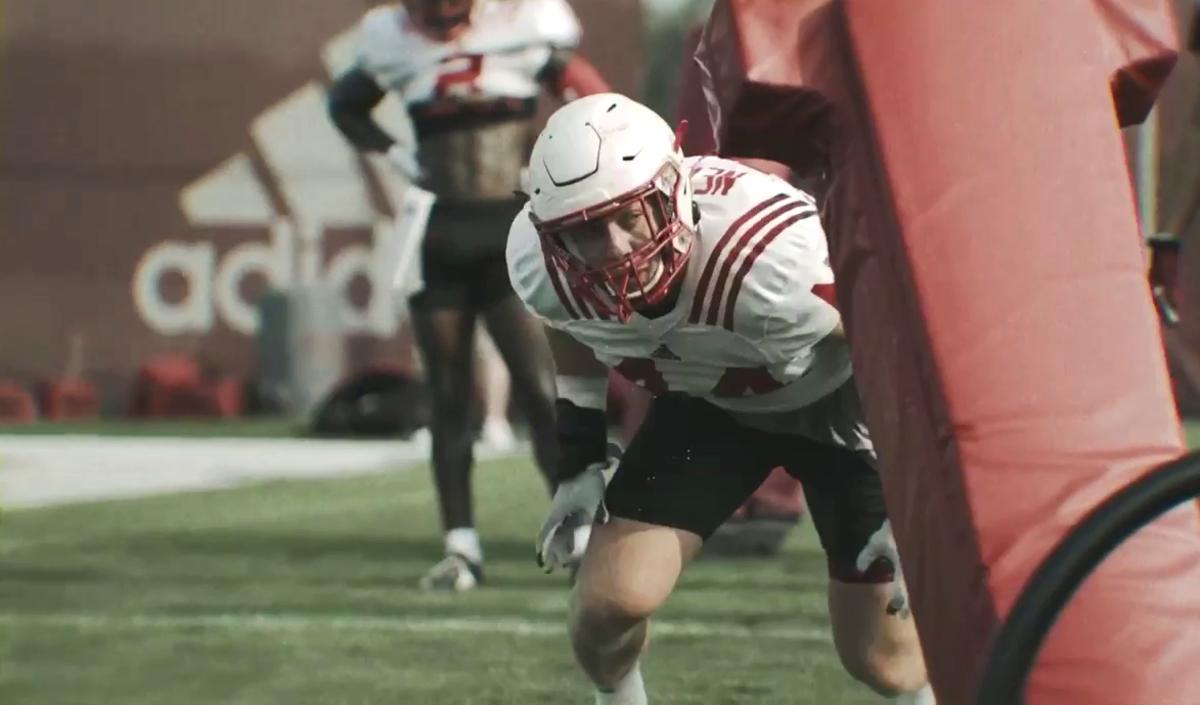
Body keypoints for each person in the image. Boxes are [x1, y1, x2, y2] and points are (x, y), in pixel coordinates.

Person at [506, 93, 935, 704]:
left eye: (630, 216)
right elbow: (570, 324)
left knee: (885, 662)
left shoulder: (774, 261)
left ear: (673, 190)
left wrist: (915, 494)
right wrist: (580, 462)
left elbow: (904, 348)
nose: (617, 248)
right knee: (607, 604)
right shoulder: (545, 267)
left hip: (845, 408)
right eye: (585, 232)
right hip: (714, 408)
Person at [327, 0, 608, 591]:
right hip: (440, 230)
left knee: (539, 390)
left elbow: (594, 100)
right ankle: (461, 547)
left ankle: (575, 534)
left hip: (511, 227)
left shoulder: (526, 22)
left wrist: (568, 160)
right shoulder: (392, 39)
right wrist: (394, 153)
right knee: (448, 396)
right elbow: (344, 105)